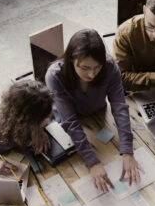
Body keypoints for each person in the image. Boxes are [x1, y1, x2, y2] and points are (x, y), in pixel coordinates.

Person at [46, 29, 143, 192]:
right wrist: (93, 162)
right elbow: (70, 122)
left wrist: (127, 150)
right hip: (69, 124)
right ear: (71, 60)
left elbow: (119, 107)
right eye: (84, 68)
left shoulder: (110, 67)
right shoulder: (54, 76)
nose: (92, 74)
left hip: (99, 114)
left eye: (97, 67)